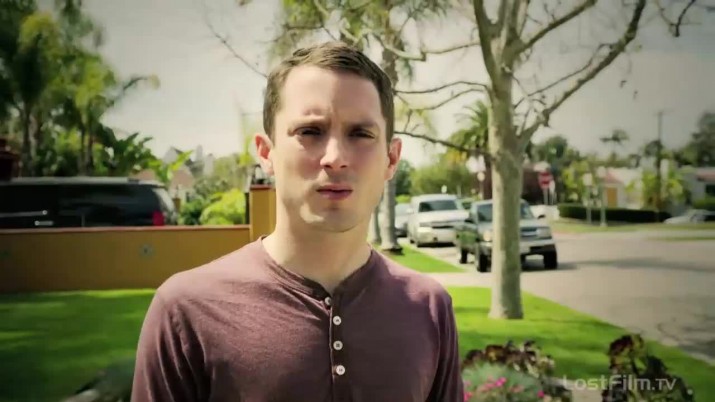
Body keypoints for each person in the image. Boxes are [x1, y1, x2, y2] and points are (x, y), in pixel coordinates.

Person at [131, 41, 463, 402]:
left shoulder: (429, 308)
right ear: (266, 153)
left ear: (392, 159)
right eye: (310, 131)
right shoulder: (186, 311)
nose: (335, 157)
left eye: (360, 134)